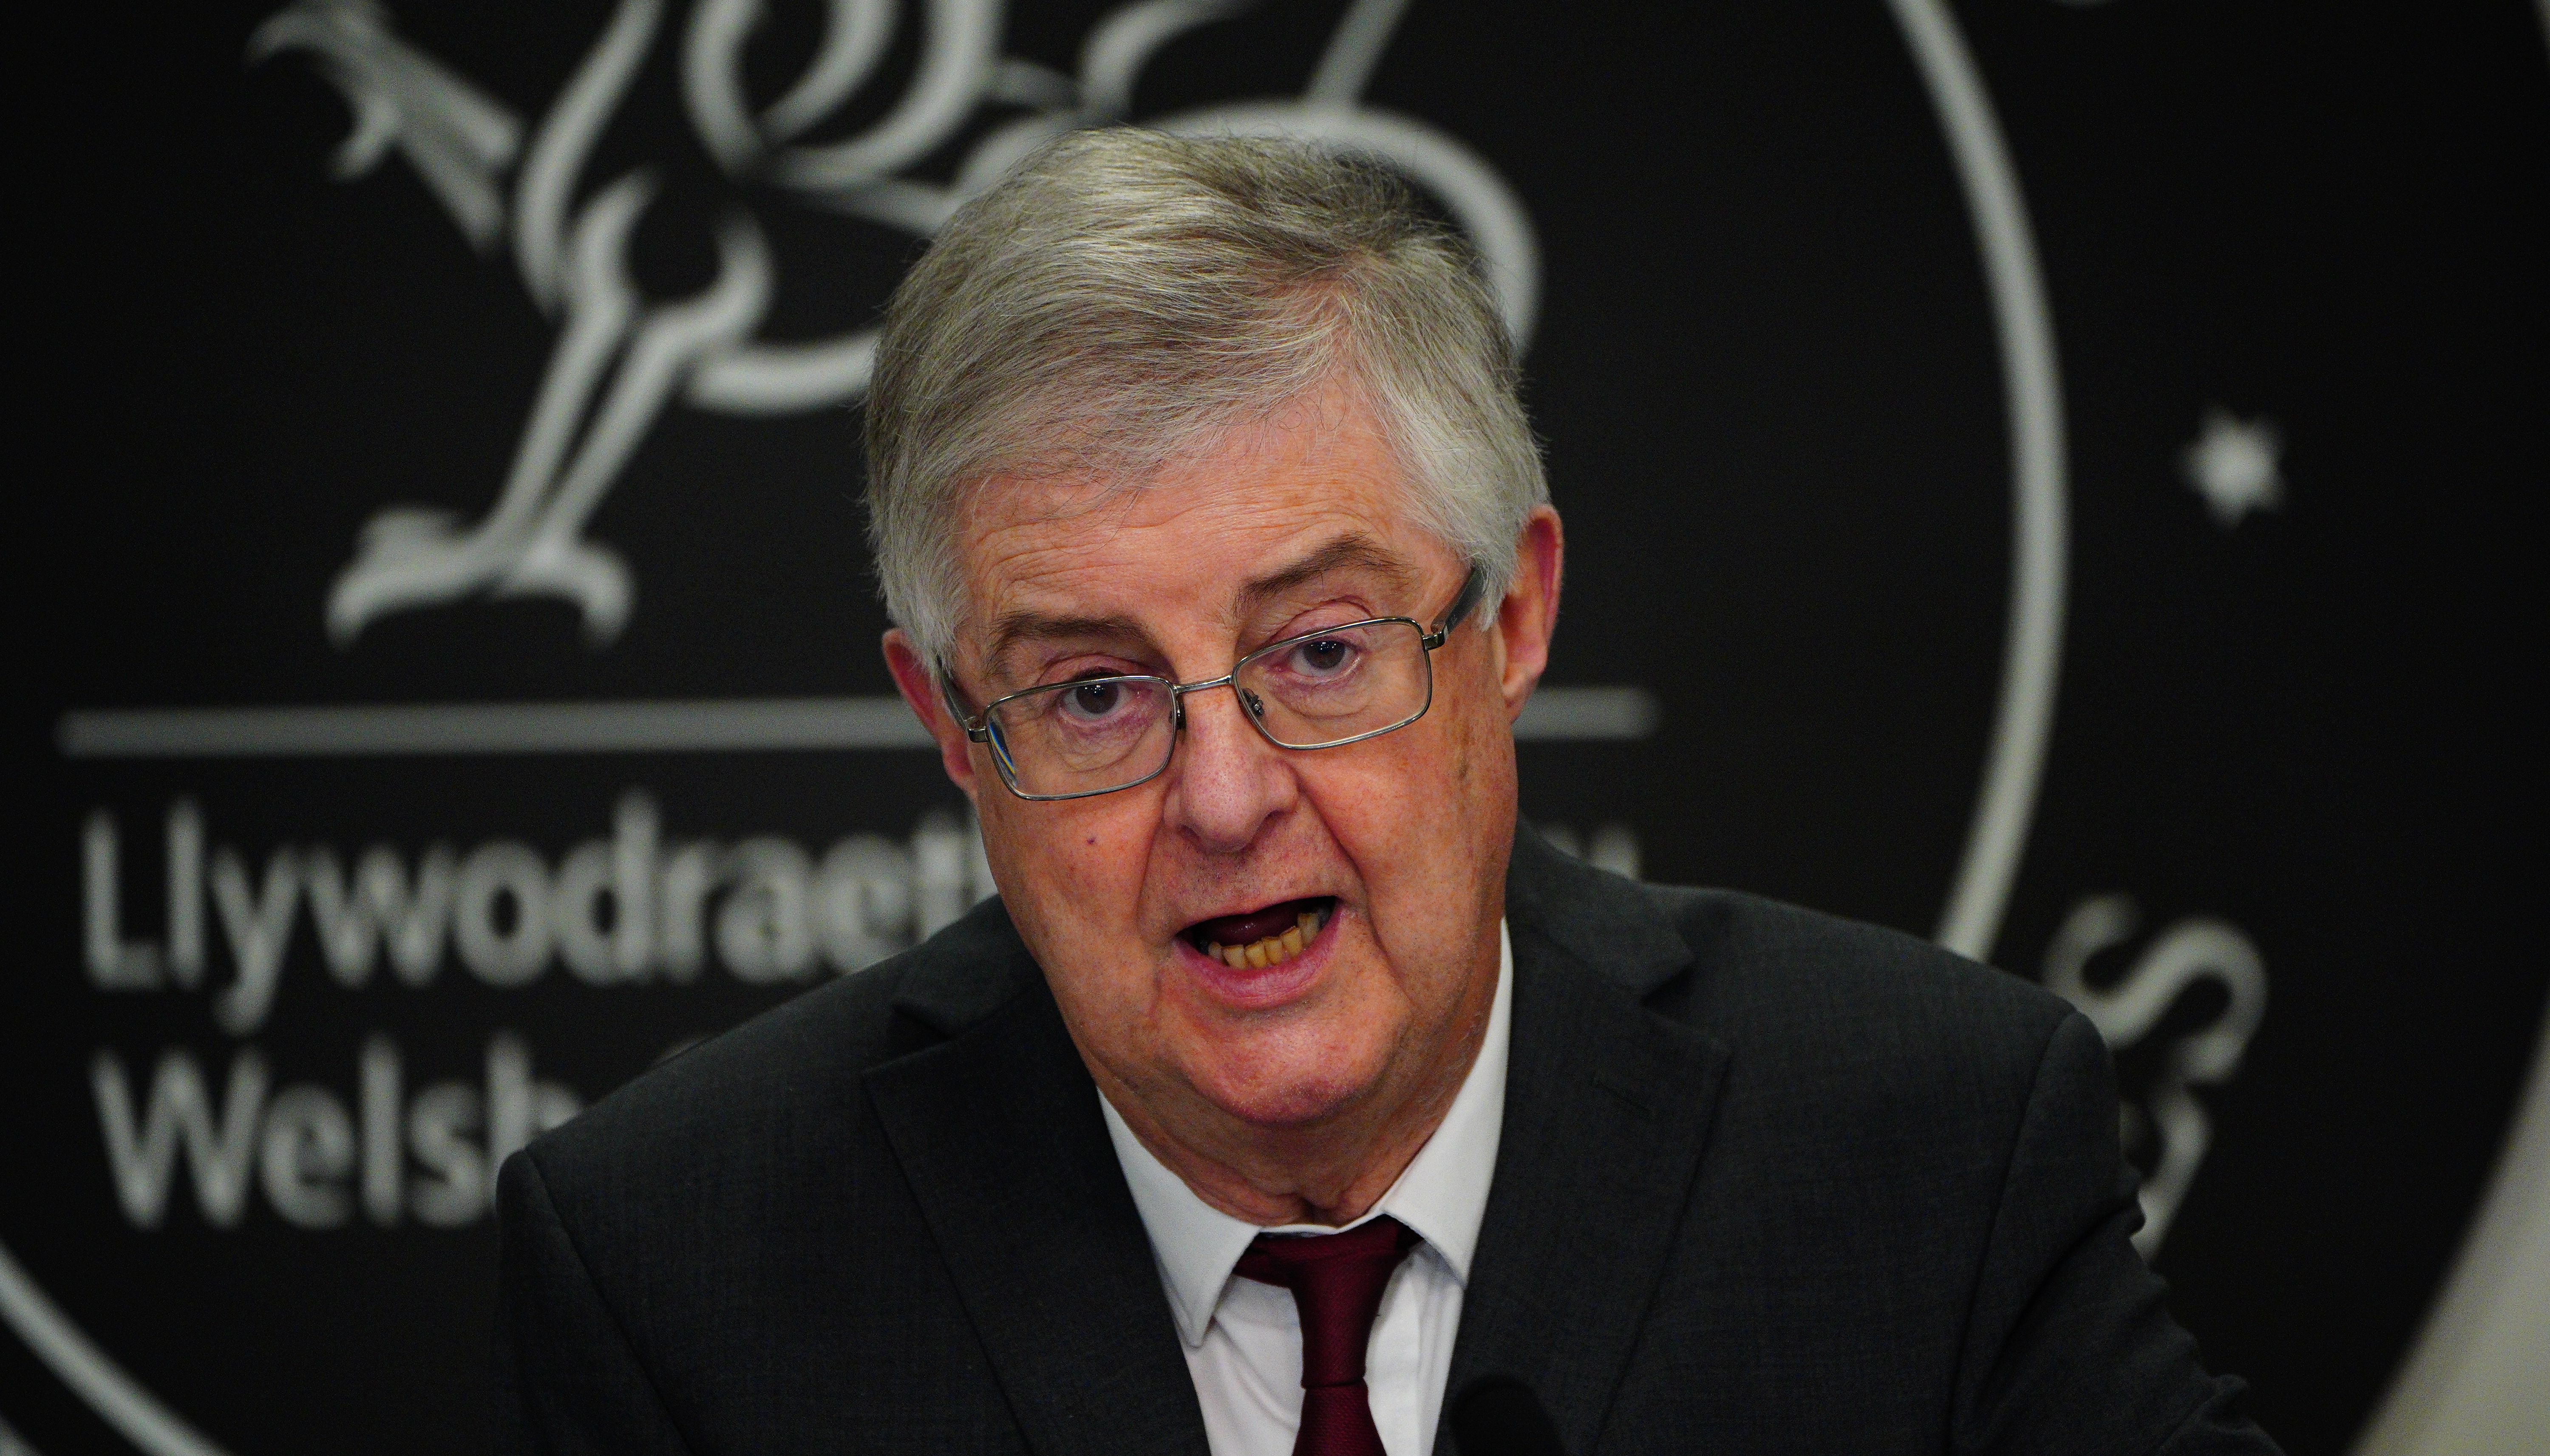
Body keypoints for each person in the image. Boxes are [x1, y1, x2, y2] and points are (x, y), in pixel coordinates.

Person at [493, 130, 2277, 1456]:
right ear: (954, 723)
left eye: (1322, 651)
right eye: (1095, 691)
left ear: (1510, 617)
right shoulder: (680, 1265)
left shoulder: (1925, 1146)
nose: (1222, 793)